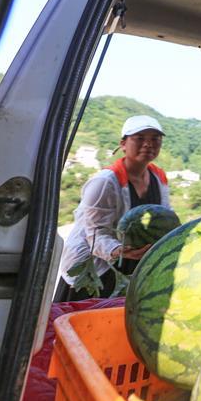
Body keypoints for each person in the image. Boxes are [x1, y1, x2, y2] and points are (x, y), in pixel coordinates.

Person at [55, 115, 171, 301]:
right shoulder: (105, 182)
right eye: (140, 138)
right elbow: (94, 235)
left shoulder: (159, 178)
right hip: (93, 269)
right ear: (123, 144)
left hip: (131, 265)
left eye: (155, 139)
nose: (148, 144)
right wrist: (118, 251)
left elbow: (165, 219)